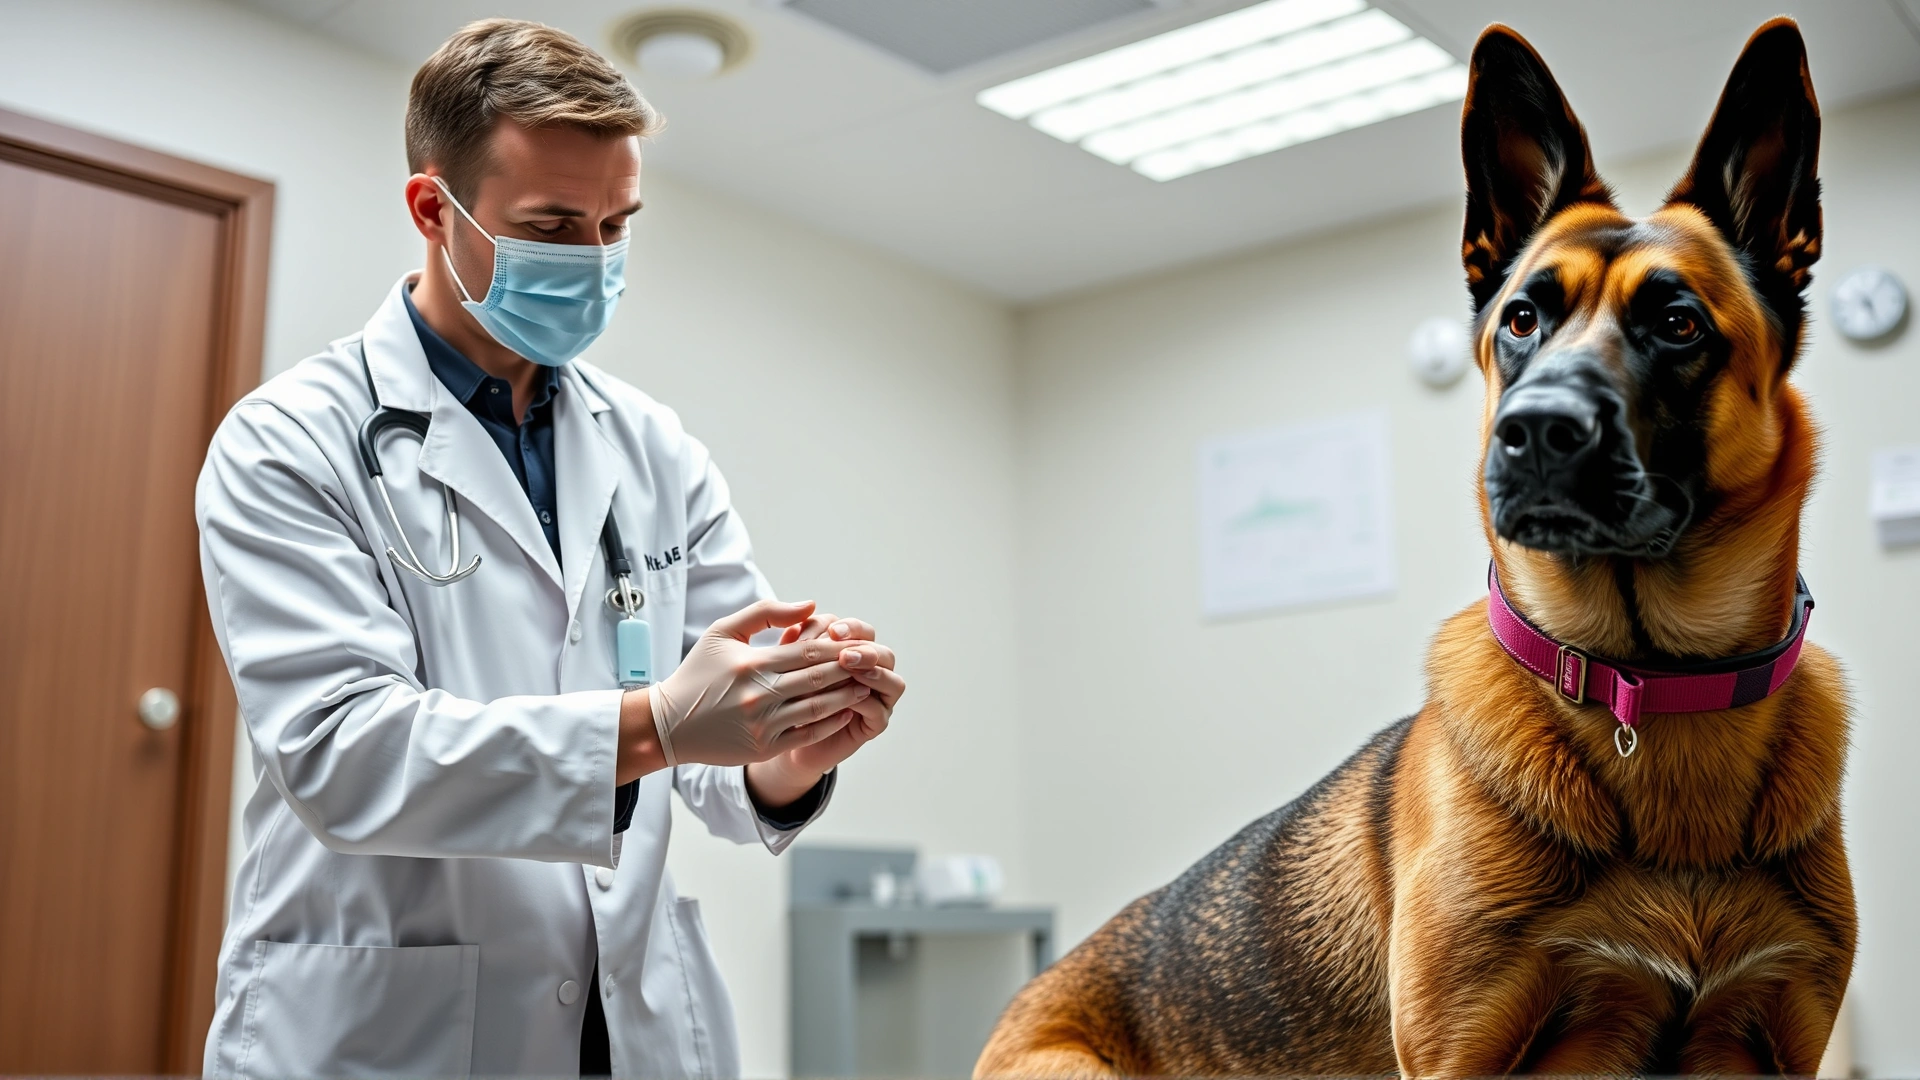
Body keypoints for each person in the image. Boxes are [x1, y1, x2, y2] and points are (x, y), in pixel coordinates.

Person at [195, 19, 904, 1078]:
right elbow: (346, 755)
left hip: (626, 1028)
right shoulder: (290, 440)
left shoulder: (654, 449)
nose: (596, 261)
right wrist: (659, 721)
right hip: (391, 1026)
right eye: (555, 226)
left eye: (618, 224)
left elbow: (712, 749)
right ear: (435, 209)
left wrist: (790, 746)